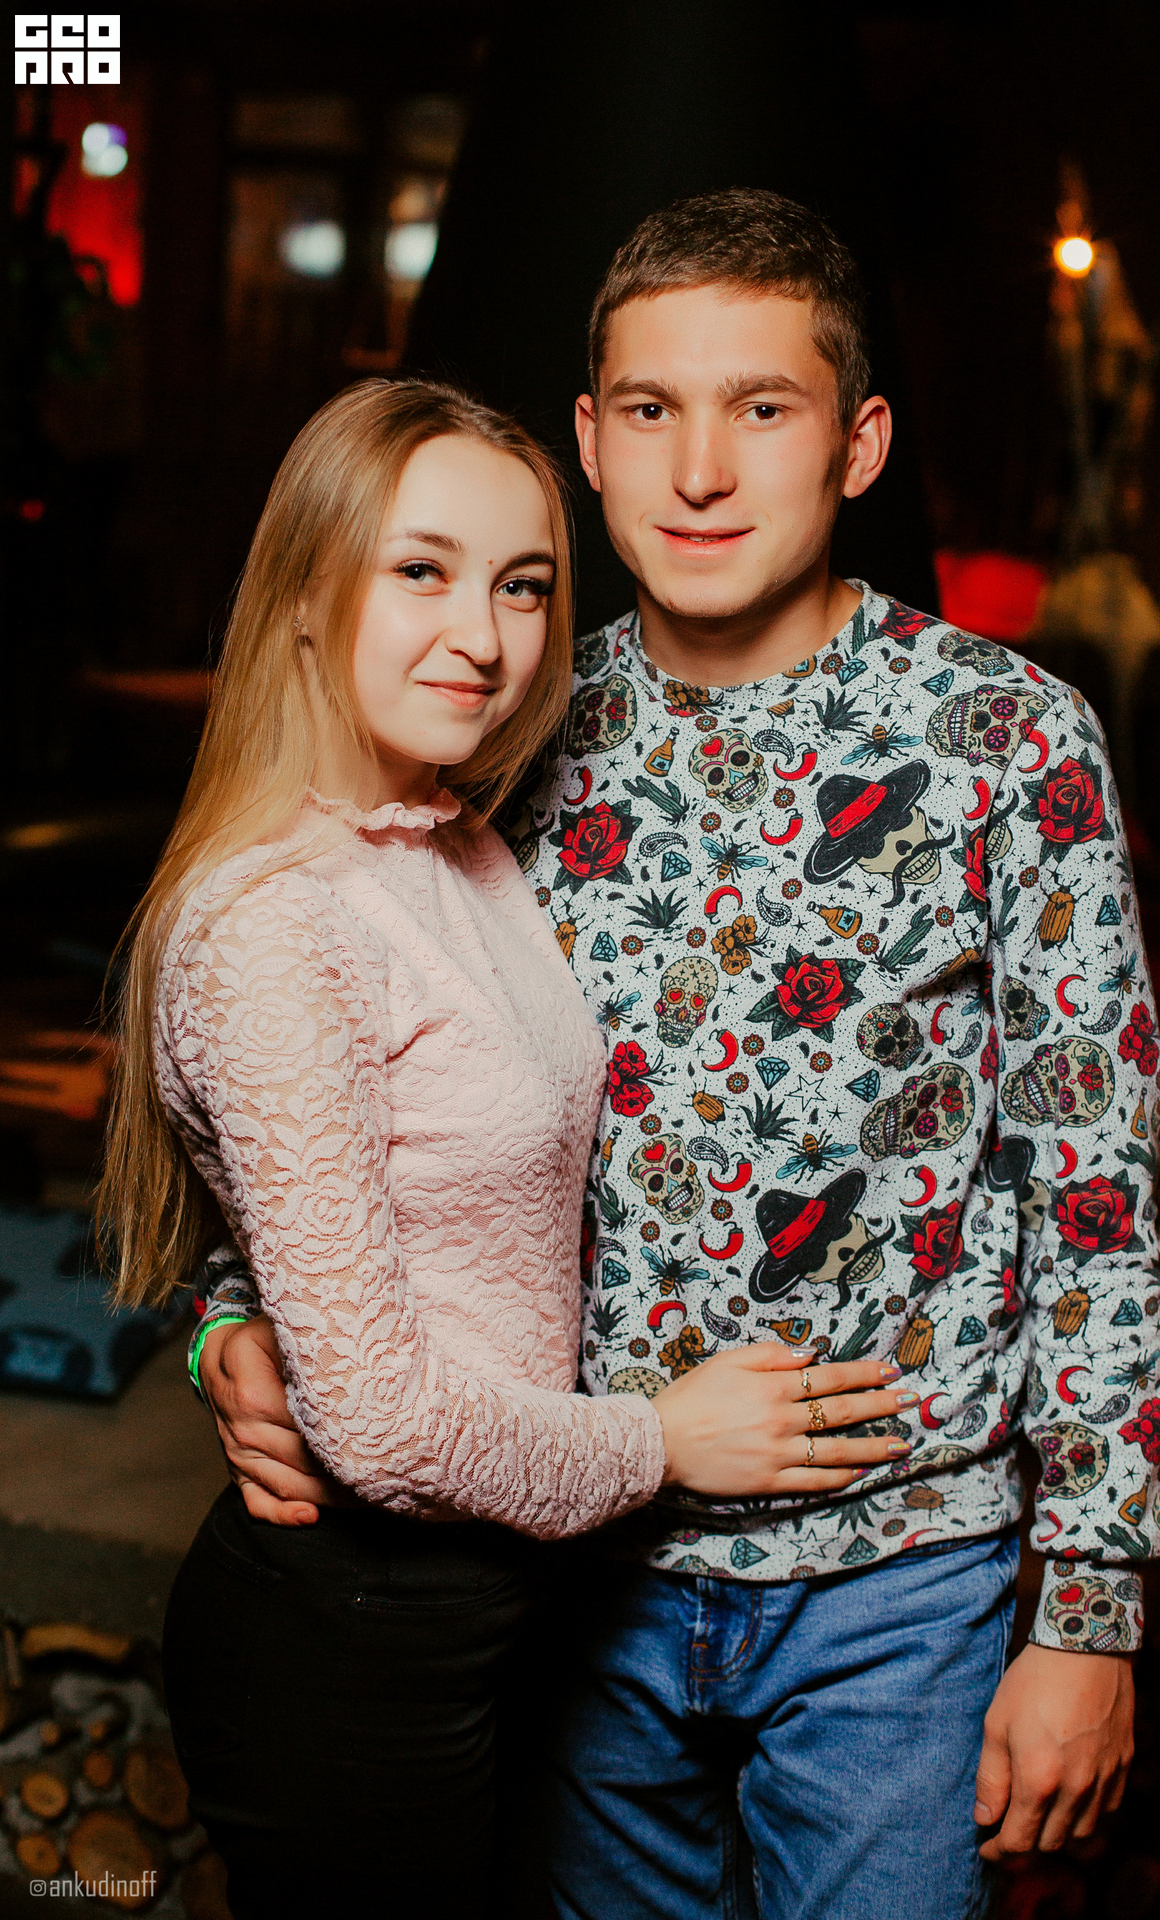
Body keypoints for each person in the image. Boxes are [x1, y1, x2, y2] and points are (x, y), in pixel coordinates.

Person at [195, 193, 1160, 1920]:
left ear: (860, 444)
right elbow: (322, 1063)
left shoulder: (1008, 744)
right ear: (588, 442)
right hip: (576, 1578)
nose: (700, 471)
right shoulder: (506, 721)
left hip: (898, 1581)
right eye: (651, 410)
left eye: (763, 408)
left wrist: (1089, 1616)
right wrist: (231, 1322)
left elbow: (1094, 1186)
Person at [98, 376, 917, 1918]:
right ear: (304, 592)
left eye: (523, 585)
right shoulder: (273, 925)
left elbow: (392, 1201)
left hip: (504, 1616)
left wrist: (227, 1324)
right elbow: (381, 1426)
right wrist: (665, 1444)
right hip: (355, 1645)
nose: (481, 636)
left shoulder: (458, 842)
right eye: (422, 569)